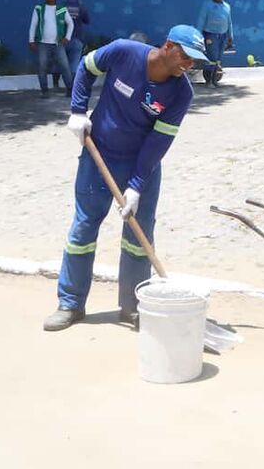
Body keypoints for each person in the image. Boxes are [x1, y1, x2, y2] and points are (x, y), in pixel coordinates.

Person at [43, 25, 206, 331]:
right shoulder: (123, 52)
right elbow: (85, 67)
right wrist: (78, 111)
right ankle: (70, 303)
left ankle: (132, 307)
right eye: (186, 57)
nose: (189, 65)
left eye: (195, 61)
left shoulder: (182, 93)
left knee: (138, 238)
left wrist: (136, 185)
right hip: (98, 157)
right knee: (83, 228)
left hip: (141, 166)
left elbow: (158, 142)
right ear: (169, 45)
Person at [29, 0, 74, 98]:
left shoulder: (61, 9)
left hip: (58, 44)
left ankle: (70, 90)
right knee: (42, 67)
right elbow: (33, 25)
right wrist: (31, 40)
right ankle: (44, 91)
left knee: (65, 66)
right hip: (43, 44)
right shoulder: (38, 8)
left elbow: (70, 24)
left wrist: (67, 37)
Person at [197, 0, 234, 86]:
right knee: (212, 57)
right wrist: (198, 35)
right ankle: (208, 81)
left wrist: (230, 37)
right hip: (210, 35)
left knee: (218, 58)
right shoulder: (207, 5)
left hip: (222, 36)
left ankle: (214, 80)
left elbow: (229, 22)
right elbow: (201, 20)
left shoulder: (227, 6)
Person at [64, 0, 90, 79]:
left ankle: (56, 83)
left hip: (63, 39)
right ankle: (72, 85)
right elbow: (87, 20)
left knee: (60, 62)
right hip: (77, 39)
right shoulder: (81, 8)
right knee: (74, 63)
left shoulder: (62, 8)